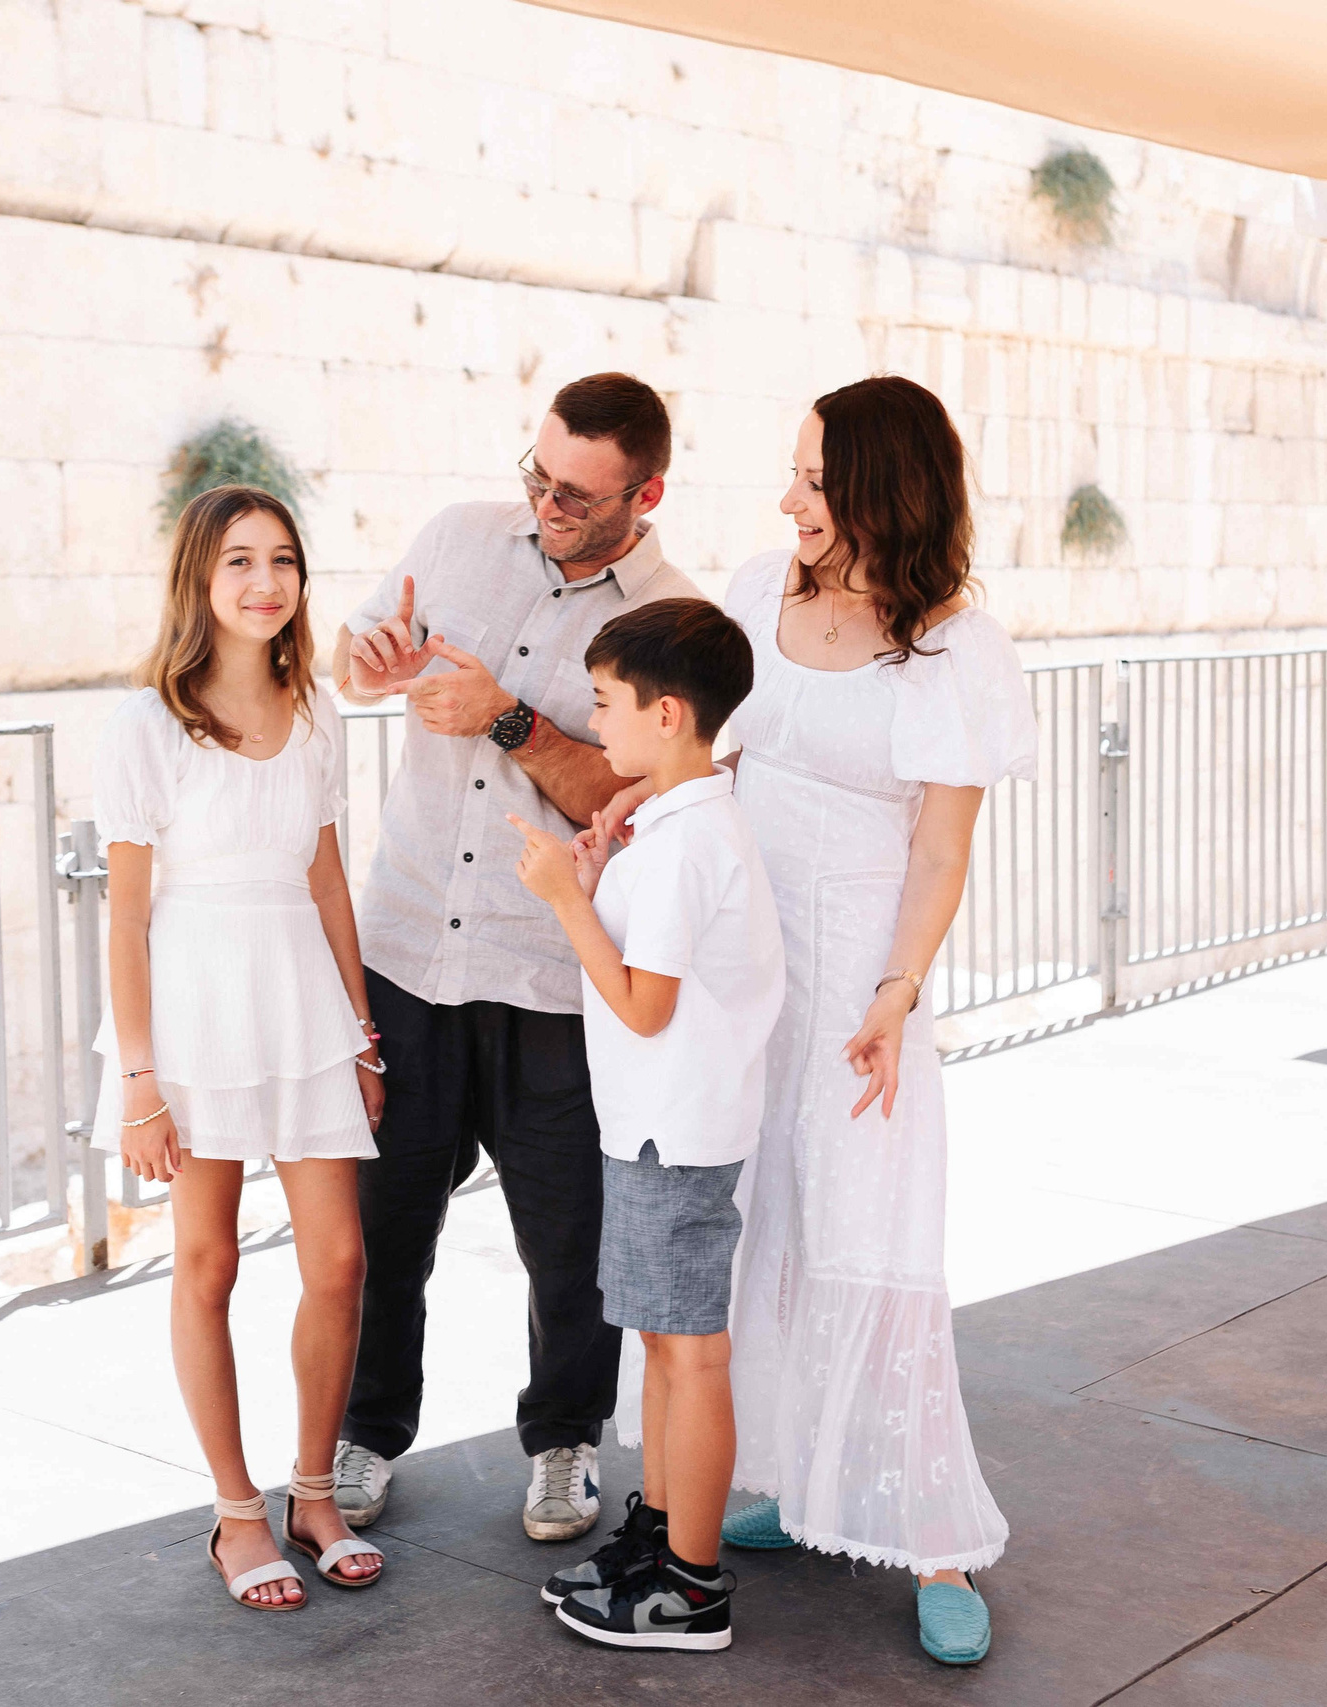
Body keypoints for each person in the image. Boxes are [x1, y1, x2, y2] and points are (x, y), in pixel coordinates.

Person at [332, 374, 705, 1543]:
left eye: (579, 495)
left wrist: (506, 717)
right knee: (384, 1223)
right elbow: (350, 662)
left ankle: (563, 1443)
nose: (548, 503)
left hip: (551, 975)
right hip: (406, 950)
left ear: (644, 495)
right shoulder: (454, 536)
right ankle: (363, 1431)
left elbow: (633, 802)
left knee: (568, 1240)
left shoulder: (675, 621)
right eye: (539, 477)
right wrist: (368, 659)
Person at [714, 376, 1037, 1665]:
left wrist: (896, 995)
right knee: (764, 1222)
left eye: (813, 478)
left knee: (872, 1231)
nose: (788, 499)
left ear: (878, 490)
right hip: (749, 962)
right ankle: (801, 1478)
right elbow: (717, 755)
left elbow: (941, 852)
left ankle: (932, 1539)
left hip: (861, 974)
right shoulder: (757, 592)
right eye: (793, 473)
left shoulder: (958, 648)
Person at [92, 485, 389, 1612]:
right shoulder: (147, 724)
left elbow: (328, 882)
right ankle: (235, 1513)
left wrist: (362, 1034)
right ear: (199, 581)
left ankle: (313, 1494)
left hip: (303, 1000)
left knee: (339, 1262)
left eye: (283, 560)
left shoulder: (315, 710)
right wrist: (139, 1080)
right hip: (196, 1006)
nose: (266, 582)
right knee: (207, 1262)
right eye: (239, 561)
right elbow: (127, 913)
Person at [509, 598, 784, 1653]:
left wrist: (562, 899)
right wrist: (590, 880)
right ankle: (660, 1545)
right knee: (667, 1347)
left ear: (665, 714)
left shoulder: (682, 843)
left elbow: (644, 1005)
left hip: (673, 1130)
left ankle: (692, 1588)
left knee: (689, 1353)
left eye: (605, 702)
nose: (595, 721)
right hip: (658, 1125)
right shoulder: (676, 825)